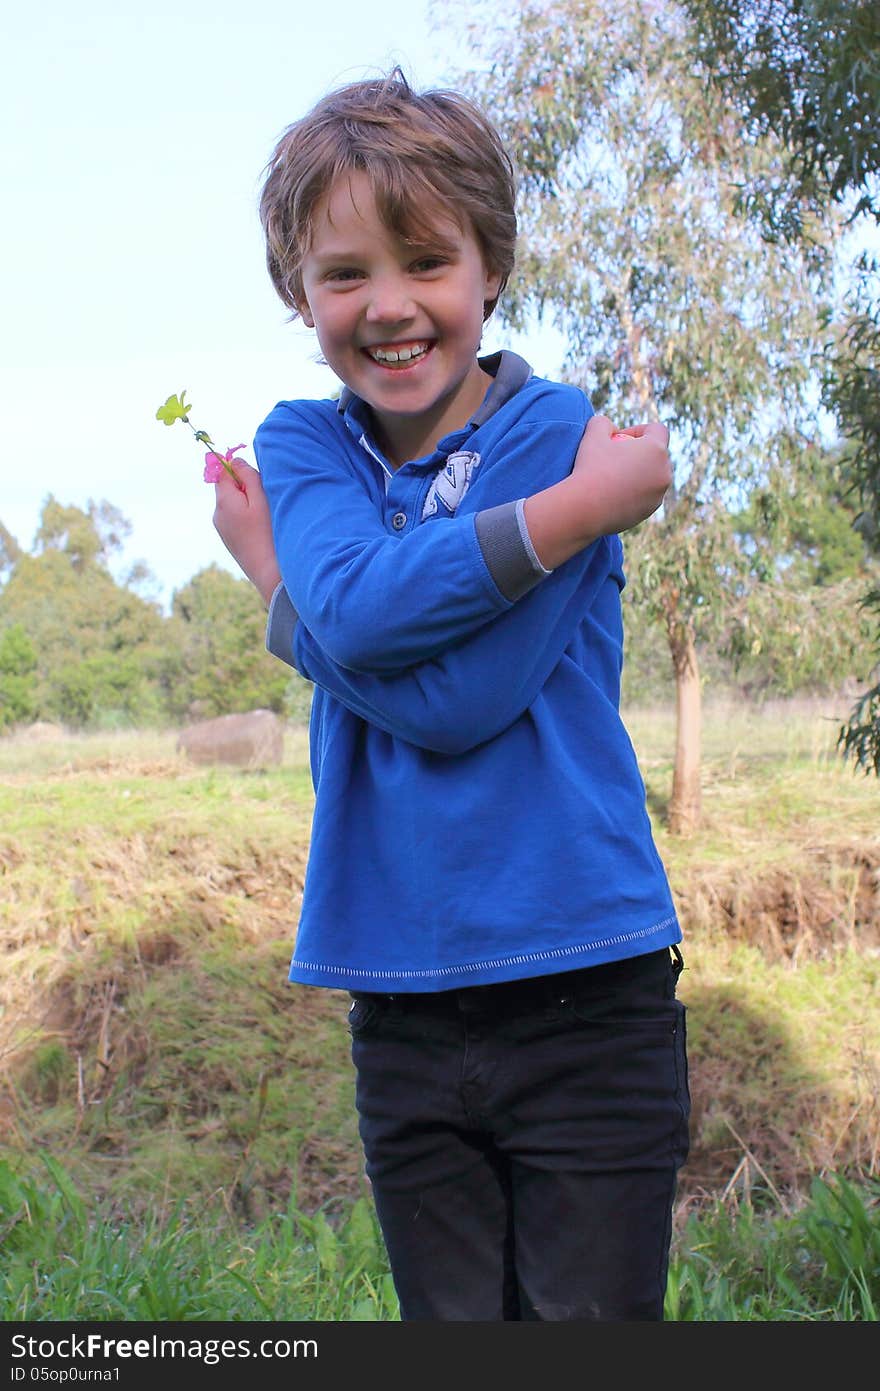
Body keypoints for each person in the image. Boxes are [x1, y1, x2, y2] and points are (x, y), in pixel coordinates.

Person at [211, 69, 690, 1322]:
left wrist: (288, 596)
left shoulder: (552, 435)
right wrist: (296, 587)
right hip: (402, 1002)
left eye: (426, 260)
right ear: (296, 292)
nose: (388, 305)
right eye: (342, 273)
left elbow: (453, 700)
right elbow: (363, 616)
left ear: (490, 269)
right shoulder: (306, 444)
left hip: (587, 985)